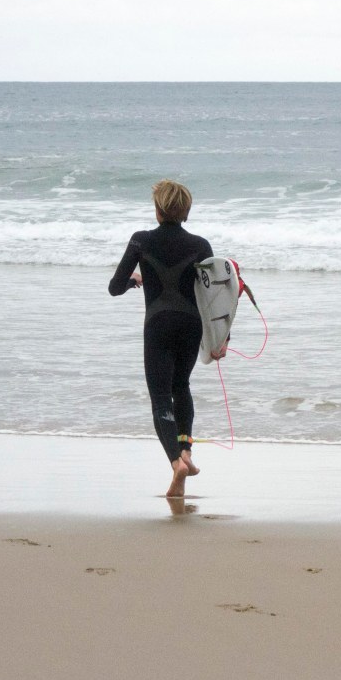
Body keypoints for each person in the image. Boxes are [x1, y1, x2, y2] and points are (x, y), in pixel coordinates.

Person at [108, 180, 214, 499]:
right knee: (181, 386)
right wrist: (220, 340)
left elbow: (114, 287)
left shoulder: (141, 241)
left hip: (158, 325)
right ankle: (186, 451)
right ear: (187, 211)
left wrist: (132, 281)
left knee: (160, 398)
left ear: (157, 210)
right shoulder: (201, 245)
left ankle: (176, 463)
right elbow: (216, 298)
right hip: (191, 325)